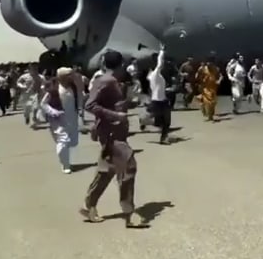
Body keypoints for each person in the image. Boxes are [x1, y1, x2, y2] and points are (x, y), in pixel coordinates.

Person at [80, 50, 147, 228]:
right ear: (121, 65)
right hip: (111, 133)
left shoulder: (112, 81)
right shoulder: (106, 81)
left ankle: (90, 205)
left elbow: (110, 103)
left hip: (113, 131)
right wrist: (114, 114)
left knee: (107, 170)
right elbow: (90, 104)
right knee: (129, 167)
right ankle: (129, 214)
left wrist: (130, 103)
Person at [40, 67, 79, 174]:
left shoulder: (72, 87)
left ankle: (64, 157)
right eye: (69, 75)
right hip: (58, 119)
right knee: (63, 141)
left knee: (73, 142)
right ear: (62, 77)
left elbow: (77, 100)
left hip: (72, 118)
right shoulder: (54, 88)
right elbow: (43, 104)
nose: (71, 77)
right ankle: (65, 165)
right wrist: (53, 112)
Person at [147, 45, 171, 145]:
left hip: (163, 100)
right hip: (157, 101)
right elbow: (160, 63)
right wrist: (162, 51)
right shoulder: (155, 74)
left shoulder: (155, 76)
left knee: (166, 122)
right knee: (159, 122)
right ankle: (144, 121)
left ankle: (164, 138)